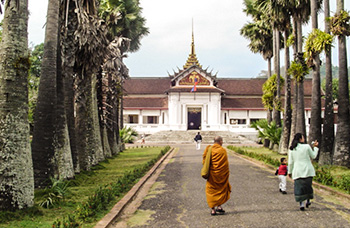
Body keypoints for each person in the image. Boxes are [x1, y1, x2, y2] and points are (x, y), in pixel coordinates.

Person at [288, 133, 318, 211]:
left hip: (297, 171)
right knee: (308, 186)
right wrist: (315, 147)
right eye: (303, 137)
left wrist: (289, 171)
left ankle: (301, 204)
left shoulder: (292, 149)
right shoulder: (306, 147)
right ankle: (308, 200)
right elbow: (314, 156)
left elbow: (290, 162)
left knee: (299, 188)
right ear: (301, 139)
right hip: (308, 170)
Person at [202, 136, 231, 216]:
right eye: (222, 141)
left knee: (211, 190)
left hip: (212, 175)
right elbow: (225, 164)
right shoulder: (223, 151)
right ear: (220, 141)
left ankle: (213, 209)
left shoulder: (209, 149)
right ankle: (219, 206)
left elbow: (205, 161)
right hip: (221, 175)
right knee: (220, 189)